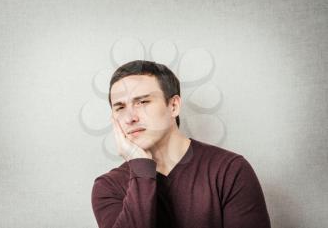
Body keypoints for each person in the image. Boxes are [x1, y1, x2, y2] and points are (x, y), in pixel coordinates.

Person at [91, 60, 271, 228]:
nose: (130, 118)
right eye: (120, 107)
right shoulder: (109, 187)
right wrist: (140, 167)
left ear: (173, 106)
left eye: (143, 102)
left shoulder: (229, 170)